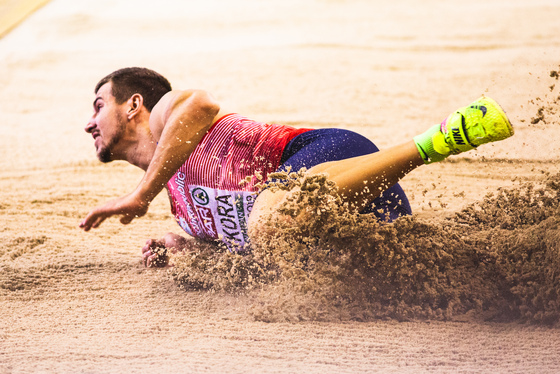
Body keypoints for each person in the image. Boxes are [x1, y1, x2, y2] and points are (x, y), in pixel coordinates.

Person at [79, 67, 514, 267]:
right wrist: (191, 248)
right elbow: (249, 247)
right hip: (343, 213)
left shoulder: (164, 115)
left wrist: (140, 195)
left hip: (331, 152)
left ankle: (436, 141)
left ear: (134, 104)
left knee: (272, 218)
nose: (88, 123)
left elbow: (203, 103)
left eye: (99, 106)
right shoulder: (181, 206)